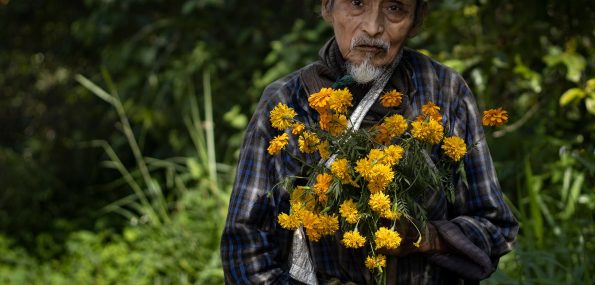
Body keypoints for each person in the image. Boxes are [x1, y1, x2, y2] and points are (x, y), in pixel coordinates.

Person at [220, 0, 519, 284]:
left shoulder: (445, 92)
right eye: (357, 3)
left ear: (418, 19)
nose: (373, 27)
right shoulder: (286, 103)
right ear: (327, 6)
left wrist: (426, 237)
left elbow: (497, 228)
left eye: (394, 8)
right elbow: (244, 244)